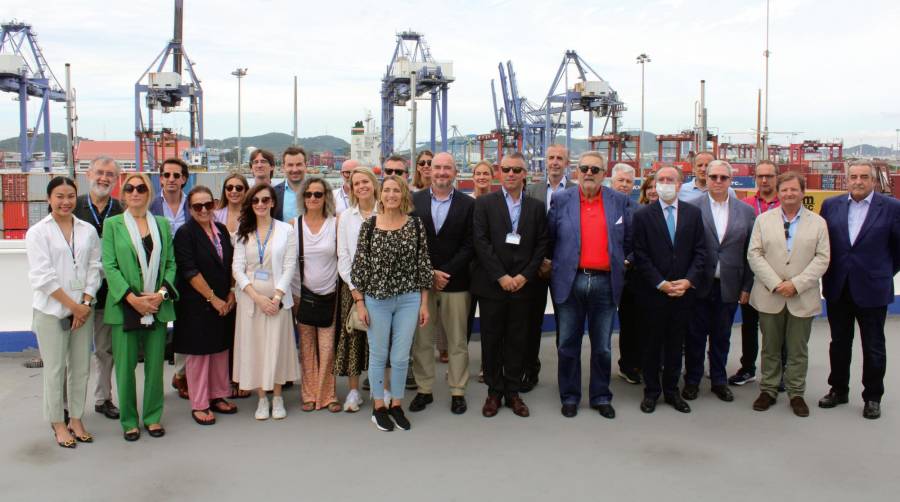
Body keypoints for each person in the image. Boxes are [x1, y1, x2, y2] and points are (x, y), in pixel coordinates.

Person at [547, 152, 631, 419]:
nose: (589, 173)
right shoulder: (561, 200)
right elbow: (550, 238)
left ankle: (600, 396)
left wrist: (626, 260)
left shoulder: (619, 201)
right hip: (571, 281)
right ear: (577, 171)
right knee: (568, 343)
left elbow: (631, 238)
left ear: (604, 174)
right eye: (584, 168)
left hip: (606, 282)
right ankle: (570, 396)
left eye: (595, 169)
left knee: (603, 346)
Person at [818, 160, 900, 420]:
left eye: (864, 176)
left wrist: (883, 272)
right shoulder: (831, 206)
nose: (858, 181)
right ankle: (838, 389)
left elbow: (898, 250)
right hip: (838, 286)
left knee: (873, 346)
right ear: (846, 179)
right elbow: (824, 243)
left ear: (874, 180)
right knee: (839, 343)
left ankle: (873, 397)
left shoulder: (892, 208)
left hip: (873, 288)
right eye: (853, 176)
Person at [351, 175, 432, 431]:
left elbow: (423, 265)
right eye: (386, 190)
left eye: (396, 190)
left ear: (403, 194)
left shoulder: (416, 225)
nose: (391, 195)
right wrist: (360, 303)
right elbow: (359, 268)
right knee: (378, 355)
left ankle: (396, 404)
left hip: (409, 299)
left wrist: (424, 303)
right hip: (377, 300)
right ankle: (379, 408)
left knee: (399, 357)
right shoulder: (370, 226)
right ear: (380, 194)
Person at [472, 152, 549, 418]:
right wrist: (501, 276)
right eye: (507, 169)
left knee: (518, 340)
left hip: (523, 286)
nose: (512, 174)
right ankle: (494, 392)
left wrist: (524, 276)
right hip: (493, 285)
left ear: (525, 174)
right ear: (499, 173)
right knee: (491, 339)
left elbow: (541, 244)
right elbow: (481, 242)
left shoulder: (537, 207)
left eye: (517, 170)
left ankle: (513, 391)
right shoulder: (485, 204)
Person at [27, 177, 102, 448]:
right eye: (59, 196)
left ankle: (77, 418)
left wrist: (86, 300)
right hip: (52, 312)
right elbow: (43, 277)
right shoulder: (37, 233)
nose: (65, 201)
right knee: (55, 369)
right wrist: (74, 307)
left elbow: (95, 266)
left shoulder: (87, 230)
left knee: (81, 368)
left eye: (70, 196)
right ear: (49, 199)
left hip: (84, 308)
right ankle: (58, 422)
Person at [102, 173, 178, 441]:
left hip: (157, 307)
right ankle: (129, 421)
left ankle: (152, 417)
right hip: (126, 307)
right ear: (123, 194)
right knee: (125, 368)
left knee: (155, 366)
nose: (135, 192)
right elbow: (109, 266)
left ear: (149, 193)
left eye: (141, 188)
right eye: (130, 188)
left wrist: (160, 295)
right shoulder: (113, 225)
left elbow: (170, 263)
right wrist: (131, 299)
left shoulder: (161, 224)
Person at [748, 172, 830, 417]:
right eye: (784, 190)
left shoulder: (818, 223)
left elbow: (822, 258)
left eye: (794, 190)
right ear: (778, 192)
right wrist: (775, 283)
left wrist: (796, 284)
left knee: (797, 349)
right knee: (770, 347)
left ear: (803, 192)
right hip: (769, 294)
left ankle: (796, 393)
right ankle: (769, 389)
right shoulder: (763, 220)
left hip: (801, 295)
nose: (789, 194)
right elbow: (755, 254)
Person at [632, 165, 706, 414]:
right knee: (651, 344)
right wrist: (660, 283)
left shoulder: (693, 214)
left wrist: (688, 281)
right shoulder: (643, 215)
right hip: (654, 292)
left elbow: (700, 252)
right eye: (660, 179)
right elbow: (640, 254)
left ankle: (672, 391)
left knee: (676, 345)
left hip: (683, 292)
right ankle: (651, 392)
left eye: (670, 179)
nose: (664, 183)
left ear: (679, 184)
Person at [683, 160, 756, 403]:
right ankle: (692, 380)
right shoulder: (692, 208)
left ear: (730, 180)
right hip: (698, 284)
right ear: (706, 179)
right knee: (694, 336)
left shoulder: (746, 211)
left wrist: (746, 286)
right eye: (712, 177)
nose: (717, 181)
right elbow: (686, 250)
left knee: (722, 336)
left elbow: (750, 253)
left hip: (729, 285)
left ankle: (719, 380)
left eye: (723, 177)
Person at [409, 152, 475, 415]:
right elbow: (410, 241)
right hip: (421, 284)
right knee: (422, 340)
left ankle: (458, 390)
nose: (441, 172)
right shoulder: (414, 201)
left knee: (457, 341)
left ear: (455, 172)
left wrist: (443, 272)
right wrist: (428, 272)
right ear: (429, 171)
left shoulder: (469, 205)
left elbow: (470, 244)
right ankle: (424, 389)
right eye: (437, 167)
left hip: (456, 283)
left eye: (447, 168)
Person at [232, 183, 301, 420]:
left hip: (278, 300)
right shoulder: (244, 229)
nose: (260, 204)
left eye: (264, 200)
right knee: (256, 348)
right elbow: (237, 268)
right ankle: (262, 398)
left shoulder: (286, 230)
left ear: (273, 202)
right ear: (250, 204)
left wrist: (277, 296)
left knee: (277, 346)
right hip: (252, 301)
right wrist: (257, 297)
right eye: (255, 201)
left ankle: (278, 395)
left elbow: (290, 265)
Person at [173, 186, 238, 426]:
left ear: (214, 205)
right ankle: (200, 403)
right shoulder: (185, 233)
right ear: (189, 209)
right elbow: (190, 271)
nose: (203, 210)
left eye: (207, 205)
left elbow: (230, 262)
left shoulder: (220, 229)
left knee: (220, 349)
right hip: (197, 304)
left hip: (223, 300)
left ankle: (218, 394)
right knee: (199, 355)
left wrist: (231, 293)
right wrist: (214, 298)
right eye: (197, 206)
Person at [73, 156, 123, 420]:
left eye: (110, 175)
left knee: (105, 350)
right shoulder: (73, 205)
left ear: (117, 180)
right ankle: (70, 403)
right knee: (75, 351)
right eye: (100, 173)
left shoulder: (122, 209)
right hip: (76, 294)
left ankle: (103, 398)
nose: (104, 178)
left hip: (108, 294)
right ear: (88, 174)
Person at [523, 144, 575, 391]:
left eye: (559, 158)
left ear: (567, 163)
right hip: (535, 266)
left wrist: (555, 261)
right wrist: (539, 261)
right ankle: (530, 370)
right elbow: (525, 228)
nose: (554, 162)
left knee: (566, 324)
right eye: (551, 158)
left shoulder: (576, 191)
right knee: (531, 322)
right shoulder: (532, 191)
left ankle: (565, 377)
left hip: (565, 267)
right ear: (545, 161)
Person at [291, 177, 341, 412]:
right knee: (307, 347)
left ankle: (328, 394)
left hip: (330, 293)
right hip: (302, 294)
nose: (313, 198)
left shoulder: (336, 223)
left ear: (326, 197)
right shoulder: (294, 225)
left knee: (328, 347)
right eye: (308, 194)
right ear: (302, 198)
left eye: (318, 194)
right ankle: (309, 394)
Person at [729, 160, 781, 386]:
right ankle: (748, 367)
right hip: (750, 277)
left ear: (776, 177)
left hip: (779, 277)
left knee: (777, 328)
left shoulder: (786, 204)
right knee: (749, 326)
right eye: (760, 176)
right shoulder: (746, 206)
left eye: (769, 175)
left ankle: (779, 372)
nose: (764, 180)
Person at [336, 167, 379, 412]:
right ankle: (353, 391)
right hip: (353, 288)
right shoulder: (345, 217)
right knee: (353, 337)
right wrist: (355, 288)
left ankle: (377, 385)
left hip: (383, 288)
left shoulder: (386, 212)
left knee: (381, 338)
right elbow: (343, 254)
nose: (361, 186)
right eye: (356, 183)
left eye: (365, 181)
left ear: (374, 184)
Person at [150, 157, 192, 400]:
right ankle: (155, 382)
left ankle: (182, 374)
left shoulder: (194, 204)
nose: (172, 180)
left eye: (177, 175)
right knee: (158, 325)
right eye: (167, 175)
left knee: (186, 325)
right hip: (160, 275)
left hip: (187, 273)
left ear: (184, 179)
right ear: (161, 178)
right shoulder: (151, 205)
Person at [609, 163, 642, 385]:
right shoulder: (600, 206)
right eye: (620, 180)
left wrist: (628, 260)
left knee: (631, 323)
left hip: (630, 275)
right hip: (603, 272)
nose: (623, 185)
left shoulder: (639, 211)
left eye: (628, 182)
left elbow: (642, 242)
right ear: (611, 182)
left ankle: (629, 365)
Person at [273, 146, 307, 222]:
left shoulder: (318, 193)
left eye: (298, 164)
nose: (294, 169)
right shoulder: (273, 193)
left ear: (305, 166)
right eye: (290, 165)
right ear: (283, 167)